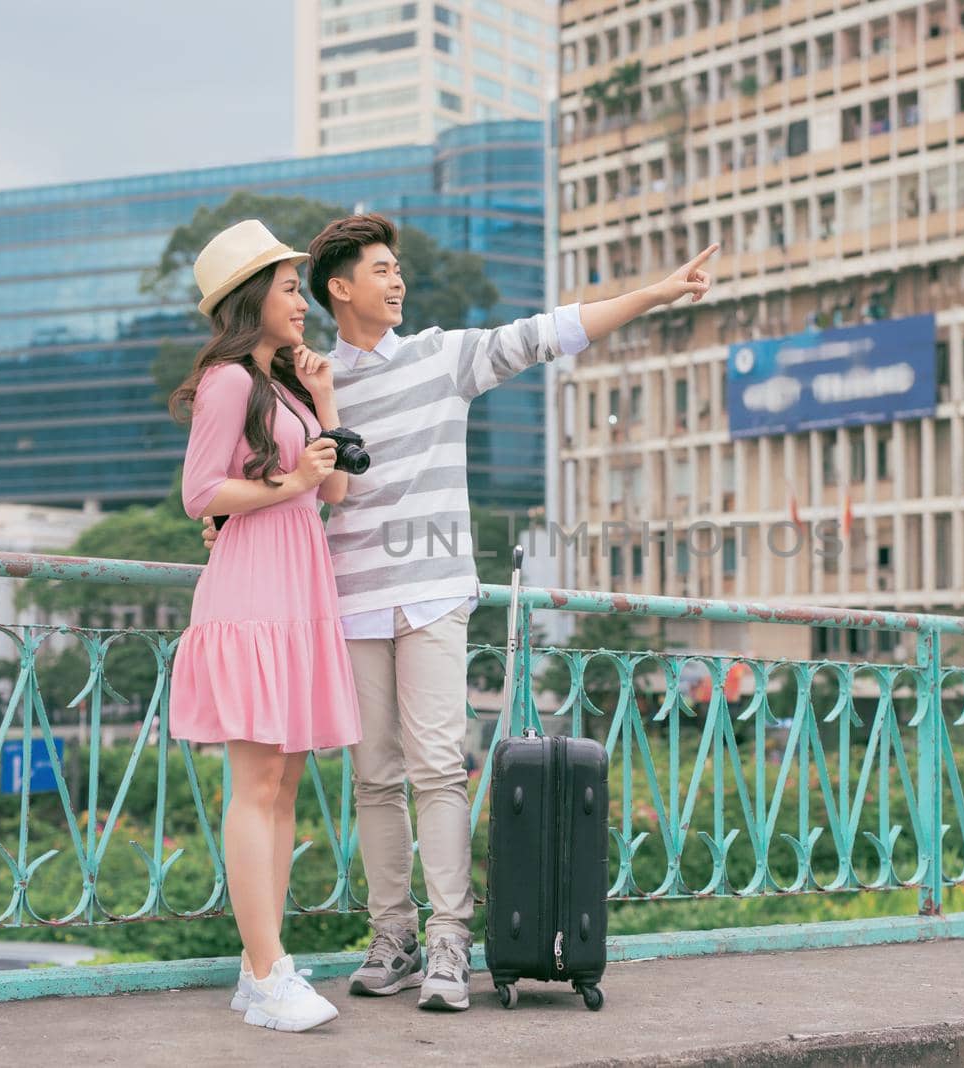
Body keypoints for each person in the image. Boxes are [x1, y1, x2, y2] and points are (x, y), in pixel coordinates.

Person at [204, 213, 716, 1012]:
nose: (397, 280)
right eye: (380, 270)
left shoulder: (443, 355)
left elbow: (551, 332)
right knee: (374, 777)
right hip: (347, 596)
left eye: (398, 267)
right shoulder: (308, 380)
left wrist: (658, 292)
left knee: (439, 766)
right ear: (339, 289)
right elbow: (262, 472)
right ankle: (393, 937)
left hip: (437, 590)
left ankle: (450, 939)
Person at [170, 219, 363, 1033]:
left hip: (293, 590)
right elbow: (200, 493)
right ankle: (265, 969)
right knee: (255, 787)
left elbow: (336, 495)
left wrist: (322, 404)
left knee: (282, 787)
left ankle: (264, 965)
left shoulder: (281, 388)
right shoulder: (226, 383)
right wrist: (290, 479)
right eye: (290, 287)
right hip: (252, 593)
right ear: (254, 297)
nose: (303, 302)